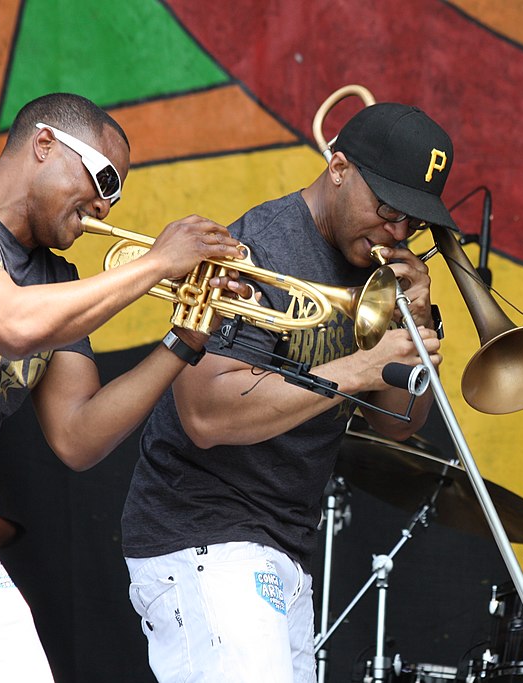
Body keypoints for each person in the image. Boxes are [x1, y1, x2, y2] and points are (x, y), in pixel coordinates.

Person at [0, 92, 245, 683]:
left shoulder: (56, 280)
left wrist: (184, 342)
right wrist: (157, 263)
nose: (107, 207)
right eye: (104, 178)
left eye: (117, 193)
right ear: (44, 144)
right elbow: (9, 323)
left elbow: (78, 436)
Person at [120, 102, 452, 683]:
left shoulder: (379, 277)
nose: (397, 233)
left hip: (283, 548)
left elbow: (399, 423)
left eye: (413, 223)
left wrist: (415, 323)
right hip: (205, 536)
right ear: (339, 167)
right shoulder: (256, 251)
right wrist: (357, 368)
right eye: (389, 209)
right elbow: (204, 414)